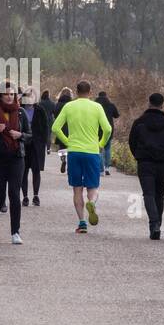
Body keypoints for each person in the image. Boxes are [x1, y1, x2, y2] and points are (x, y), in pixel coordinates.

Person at [49, 80, 111, 234]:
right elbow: (108, 129)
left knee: (77, 188)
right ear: (90, 92)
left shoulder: (69, 106)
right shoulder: (97, 107)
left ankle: (82, 222)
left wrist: (68, 141)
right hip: (92, 151)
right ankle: (92, 202)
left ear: (76, 92)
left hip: (75, 151)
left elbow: (55, 127)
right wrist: (100, 143)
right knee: (93, 186)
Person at [0, 81, 31, 244]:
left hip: (16, 158)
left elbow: (30, 135)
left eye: (12, 94)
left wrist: (21, 135)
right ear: (0, 95)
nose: (9, 97)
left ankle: (15, 232)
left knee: (14, 195)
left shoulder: (21, 112)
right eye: (6, 94)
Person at [128, 93, 164, 240]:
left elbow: (132, 141)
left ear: (149, 103)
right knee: (160, 195)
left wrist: (138, 154)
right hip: (163, 163)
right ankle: (158, 224)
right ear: (162, 105)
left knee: (148, 194)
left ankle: (154, 224)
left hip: (145, 162)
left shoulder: (139, 122)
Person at [19, 85, 50, 207]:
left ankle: (36, 195)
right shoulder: (20, 109)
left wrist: (45, 143)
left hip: (37, 145)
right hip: (23, 144)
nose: (29, 99)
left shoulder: (40, 110)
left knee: (36, 171)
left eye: (32, 96)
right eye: (27, 96)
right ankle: (25, 196)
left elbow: (45, 128)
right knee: (23, 171)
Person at [95, 89, 120, 176]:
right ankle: (107, 167)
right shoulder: (111, 105)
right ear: (106, 96)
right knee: (107, 148)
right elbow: (117, 115)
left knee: (99, 149)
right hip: (109, 129)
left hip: (97, 129)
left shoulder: (95, 105)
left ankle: (101, 169)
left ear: (98, 96)